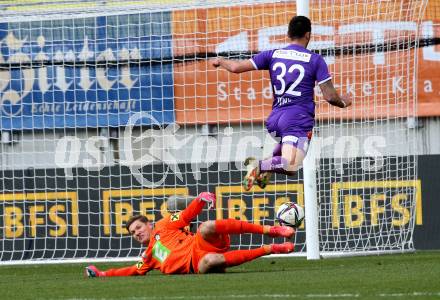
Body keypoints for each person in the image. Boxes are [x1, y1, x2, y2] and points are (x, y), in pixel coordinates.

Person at [212, 16, 352, 191]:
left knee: (292, 167)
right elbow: (330, 96)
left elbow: (236, 68)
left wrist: (221, 61)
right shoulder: (315, 60)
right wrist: (344, 102)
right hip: (297, 120)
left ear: (288, 34)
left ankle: (265, 170)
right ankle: (260, 166)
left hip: (275, 121)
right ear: (308, 35)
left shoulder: (273, 54)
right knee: (290, 164)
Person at [85, 192, 295, 277]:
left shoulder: (163, 224)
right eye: (133, 233)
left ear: (148, 224)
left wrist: (200, 201)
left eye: (138, 228)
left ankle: (271, 230)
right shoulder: (148, 257)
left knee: (204, 226)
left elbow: (185, 217)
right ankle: (271, 249)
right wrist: (104, 273)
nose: (136, 233)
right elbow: (132, 270)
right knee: (210, 261)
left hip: (202, 242)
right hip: (198, 265)